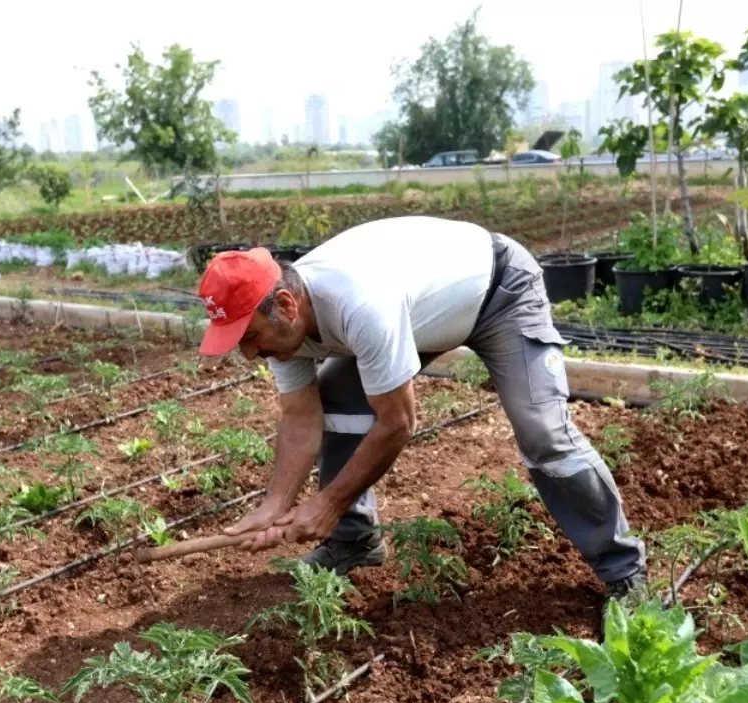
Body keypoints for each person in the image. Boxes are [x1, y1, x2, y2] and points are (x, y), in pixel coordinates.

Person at [195, 216, 646, 600]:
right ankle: (354, 541)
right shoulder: (283, 330)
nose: (250, 355)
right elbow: (299, 417)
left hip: (499, 288)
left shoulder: (358, 303)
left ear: (287, 305)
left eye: (251, 338)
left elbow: (399, 422)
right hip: (425, 310)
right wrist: (275, 505)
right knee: (336, 396)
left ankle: (624, 569)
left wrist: (329, 501)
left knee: (543, 432)